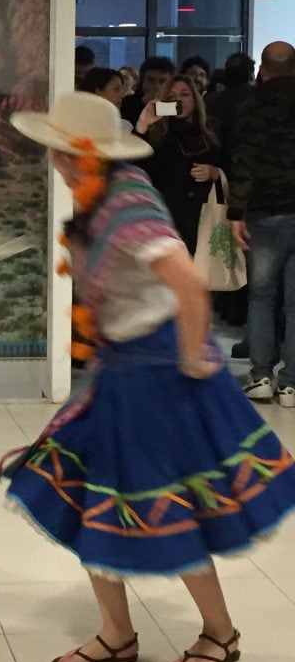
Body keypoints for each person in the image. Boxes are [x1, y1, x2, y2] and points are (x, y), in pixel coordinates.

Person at [0, 91, 295, 662]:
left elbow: (187, 281)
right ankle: (116, 633)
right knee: (91, 496)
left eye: (61, 152)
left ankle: (220, 632)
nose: (54, 162)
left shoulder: (127, 204)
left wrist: (190, 359)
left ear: (83, 155)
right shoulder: (96, 202)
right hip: (120, 370)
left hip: (157, 373)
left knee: (166, 503)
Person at [228, 41, 295, 406]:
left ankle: (261, 376)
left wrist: (236, 214)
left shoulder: (252, 107)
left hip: (265, 214)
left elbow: (245, 163)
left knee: (262, 297)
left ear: (263, 70)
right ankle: (292, 384)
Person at [134, 75, 222, 254]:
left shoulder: (213, 131)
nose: (178, 101)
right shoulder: (157, 134)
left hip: (205, 217)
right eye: (171, 98)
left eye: (184, 95)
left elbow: (230, 168)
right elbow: (135, 170)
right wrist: (142, 125)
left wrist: (215, 173)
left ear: (195, 99)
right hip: (168, 218)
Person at [121, 55, 175, 126]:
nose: (156, 86)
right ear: (142, 80)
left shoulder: (175, 105)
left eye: (162, 81)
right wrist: (141, 104)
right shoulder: (126, 103)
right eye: (151, 80)